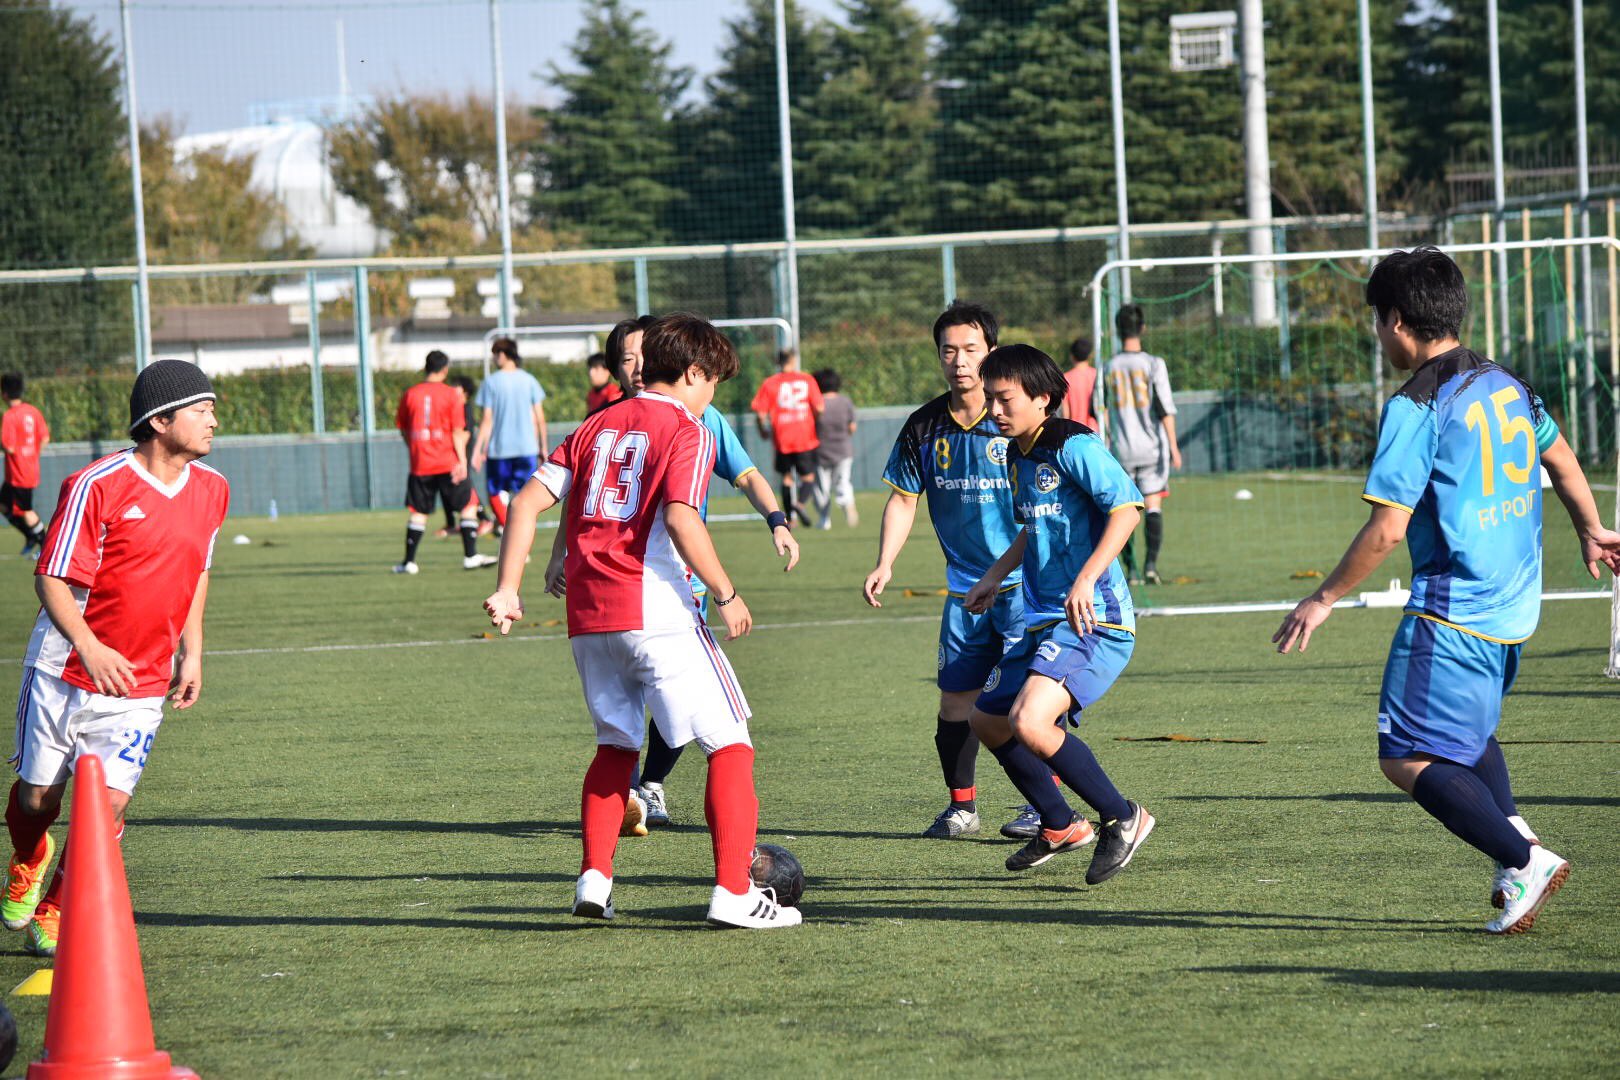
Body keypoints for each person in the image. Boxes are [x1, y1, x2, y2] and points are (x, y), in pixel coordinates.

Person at [1273, 246, 1620, 935]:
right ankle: (1513, 842)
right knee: (1468, 735)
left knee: (1403, 754)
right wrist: (1591, 528)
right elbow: (1558, 454)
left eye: (1377, 323)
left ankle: (1523, 857)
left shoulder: (1416, 405)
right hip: (1517, 605)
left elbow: (1387, 530)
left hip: (1454, 609)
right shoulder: (1504, 381)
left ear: (1397, 321)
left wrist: (1324, 598)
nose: (1378, 337)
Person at [483, 312, 801, 930]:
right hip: (654, 607)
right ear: (690, 373)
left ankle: (595, 879)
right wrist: (727, 592)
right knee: (731, 741)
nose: (713, 396)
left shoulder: (594, 423)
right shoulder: (687, 426)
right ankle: (734, 893)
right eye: (713, 382)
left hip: (588, 614)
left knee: (615, 746)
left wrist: (509, 589)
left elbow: (525, 502)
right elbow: (683, 518)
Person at [3, 359, 229, 957]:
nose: (214, 419)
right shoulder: (95, 485)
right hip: (63, 668)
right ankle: (29, 856)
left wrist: (193, 651)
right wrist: (90, 645)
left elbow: (198, 571)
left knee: (107, 807)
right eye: (201, 408)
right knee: (36, 800)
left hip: (142, 681)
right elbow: (51, 578)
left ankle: (56, 903)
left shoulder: (214, 490)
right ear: (159, 420)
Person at [546, 315, 800, 831]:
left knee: (646, 710)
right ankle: (725, 879)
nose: (638, 367)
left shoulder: (702, 419)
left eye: (646, 355)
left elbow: (747, 474)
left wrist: (776, 519)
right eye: (627, 359)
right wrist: (559, 555)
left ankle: (640, 796)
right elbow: (584, 498)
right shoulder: (613, 421)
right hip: (649, 587)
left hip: (662, 580)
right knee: (718, 728)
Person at [863, 301, 1067, 842]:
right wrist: (886, 562)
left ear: (992, 353)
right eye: (948, 351)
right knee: (955, 702)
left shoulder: (1020, 423)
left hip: (1029, 587)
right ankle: (961, 807)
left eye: (970, 349)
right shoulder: (924, 426)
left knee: (1029, 699)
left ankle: (1042, 804)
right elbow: (904, 500)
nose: (959, 361)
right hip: (964, 593)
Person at [963, 345, 1156, 880]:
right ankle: (1060, 823)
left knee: (1029, 720)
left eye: (1005, 399)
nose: (995, 410)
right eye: (991, 399)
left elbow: (1127, 508)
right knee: (987, 720)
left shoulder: (1075, 444)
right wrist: (994, 576)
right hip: (1044, 617)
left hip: (1095, 619)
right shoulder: (1015, 455)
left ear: (1042, 399)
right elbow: (1034, 526)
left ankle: (1123, 817)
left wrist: (1087, 578)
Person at [392, 351, 495, 574]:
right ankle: (470, 556)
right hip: (448, 461)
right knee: (467, 506)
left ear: (425, 367)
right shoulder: (451, 395)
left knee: (418, 512)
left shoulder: (410, 394)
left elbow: (403, 429)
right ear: (445, 369)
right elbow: (458, 432)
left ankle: (409, 562)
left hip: (421, 463)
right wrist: (462, 460)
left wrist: (415, 448)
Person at [1103, 305, 1181, 585]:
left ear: (1117, 330)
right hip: (1151, 448)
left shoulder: (1109, 366)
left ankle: (1131, 571)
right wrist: (1173, 446)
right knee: (1153, 504)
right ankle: (1150, 566)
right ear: (1143, 328)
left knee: (1124, 509)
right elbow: (1164, 407)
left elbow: (1099, 407)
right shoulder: (1153, 363)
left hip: (1121, 449)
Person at [472, 337, 548, 531]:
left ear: (502, 355)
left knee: (496, 493)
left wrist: (477, 450)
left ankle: (510, 535)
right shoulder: (529, 380)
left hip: (500, 450)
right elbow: (539, 418)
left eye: (496, 355)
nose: (495, 359)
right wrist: (543, 447)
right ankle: (520, 542)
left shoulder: (491, 382)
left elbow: (487, 419)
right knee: (525, 498)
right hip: (527, 448)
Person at [751, 347, 823, 528]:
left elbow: (760, 414)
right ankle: (799, 504)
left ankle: (790, 518)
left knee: (786, 478)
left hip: (782, 437)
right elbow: (820, 408)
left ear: (778, 361)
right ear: (794, 360)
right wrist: (815, 421)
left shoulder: (770, 383)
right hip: (804, 435)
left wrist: (762, 430)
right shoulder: (807, 380)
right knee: (808, 477)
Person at [436, 375, 494, 541]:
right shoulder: (453, 406)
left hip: (462, 452)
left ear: (465, 392)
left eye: (457, 386)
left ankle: (484, 519)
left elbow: (465, 433)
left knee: (466, 484)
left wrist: (462, 455)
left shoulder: (464, 407)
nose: (453, 389)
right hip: (453, 451)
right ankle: (456, 522)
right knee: (455, 485)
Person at [1, 373, 50, 558]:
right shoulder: (32, 411)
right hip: (27, 469)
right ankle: (31, 536)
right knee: (3, 505)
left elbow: (9, 447)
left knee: (27, 511)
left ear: (4, 394)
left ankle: (46, 547)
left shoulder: (9, 416)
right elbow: (45, 438)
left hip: (18, 473)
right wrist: (33, 454)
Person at [811, 368, 858, 530]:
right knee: (843, 482)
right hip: (843, 450)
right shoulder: (845, 401)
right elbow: (852, 427)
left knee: (821, 488)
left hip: (819, 452)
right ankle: (848, 506)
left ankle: (824, 519)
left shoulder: (815, 404)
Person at [1059, 337, 1098, 429]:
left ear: (1072, 356)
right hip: (1096, 431)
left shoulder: (1066, 378)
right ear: (1090, 355)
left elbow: (1066, 412)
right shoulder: (1097, 375)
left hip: (1075, 431)